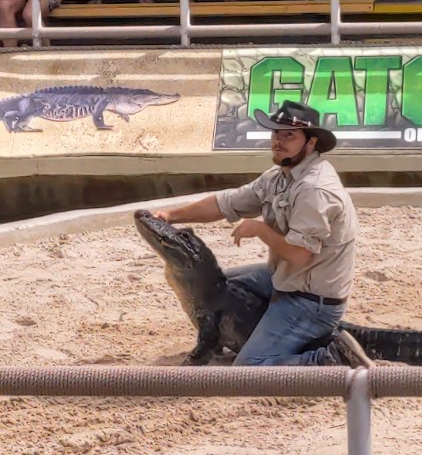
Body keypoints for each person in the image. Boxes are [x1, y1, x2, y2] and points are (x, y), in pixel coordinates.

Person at [152, 100, 371, 368]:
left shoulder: (315, 189)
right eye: (276, 133)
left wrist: (259, 229)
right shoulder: (280, 176)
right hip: (286, 278)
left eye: (288, 135)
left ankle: (330, 358)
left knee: (249, 368)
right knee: (209, 288)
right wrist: (172, 216)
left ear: (311, 143)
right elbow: (227, 202)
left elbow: (299, 256)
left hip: (312, 300)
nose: (278, 141)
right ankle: (245, 338)